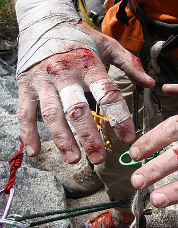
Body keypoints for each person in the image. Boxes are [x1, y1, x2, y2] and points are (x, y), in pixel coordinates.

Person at [14, 0, 177, 227]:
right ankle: (125, 213)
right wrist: (42, 15)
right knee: (114, 141)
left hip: (136, 38)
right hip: (131, 40)